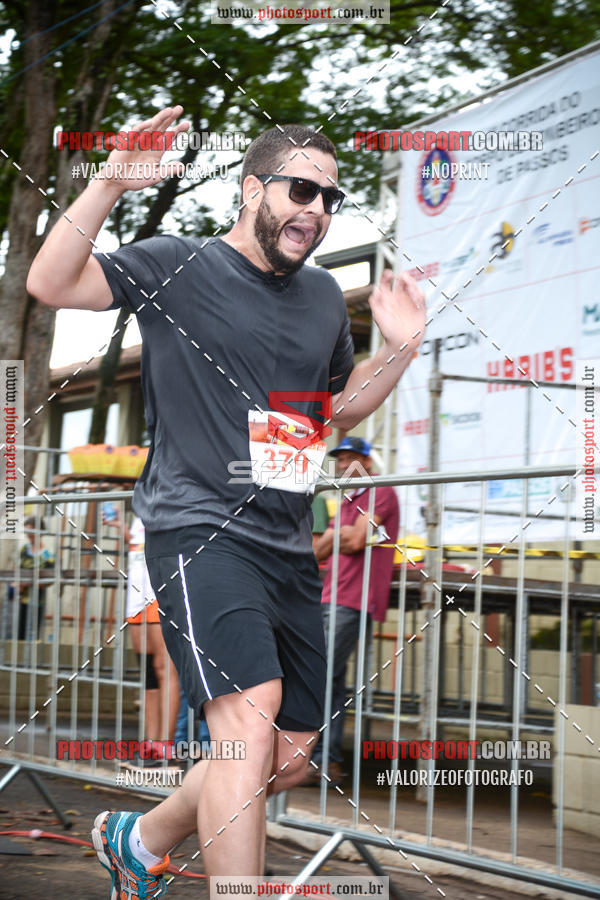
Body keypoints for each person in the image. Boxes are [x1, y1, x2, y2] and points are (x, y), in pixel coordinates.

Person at [27, 105, 426, 894]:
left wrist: (402, 348)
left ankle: (140, 838)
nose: (315, 211)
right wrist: (111, 178)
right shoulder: (180, 263)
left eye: (329, 199)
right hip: (197, 528)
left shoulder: (320, 298)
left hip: (285, 543)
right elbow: (50, 282)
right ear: (253, 189)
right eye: (301, 191)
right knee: (248, 720)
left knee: (284, 756)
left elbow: (337, 410)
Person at [300, 436, 400, 787]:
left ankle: (315, 759)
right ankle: (325, 762)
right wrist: (342, 533)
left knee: (319, 675)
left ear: (367, 463)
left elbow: (356, 541)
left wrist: (338, 536)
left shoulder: (381, 491)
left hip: (354, 599)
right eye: (340, 460)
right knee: (331, 681)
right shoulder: (345, 501)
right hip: (331, 596)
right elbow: (317, 552)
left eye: (352, 459)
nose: (344, 466)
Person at [105, 506, 180, 760]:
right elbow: (138, 547)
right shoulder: (141, 512)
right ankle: (151, 742)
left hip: (161, 593)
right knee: (148, 671)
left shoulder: (173, 504)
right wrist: (123, 532)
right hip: (136, 595)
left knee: (164, 668)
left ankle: (166, 745)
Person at [17, 516, 54, 641]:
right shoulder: (24, 550)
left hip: (37, 601)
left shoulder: (47, 555)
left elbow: (50, 580)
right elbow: (18, 569)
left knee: (32, 636)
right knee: (18, 635)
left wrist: (29, 583)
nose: (28, 535)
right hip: (20, 599)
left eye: (31, 532)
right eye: (26, 532)